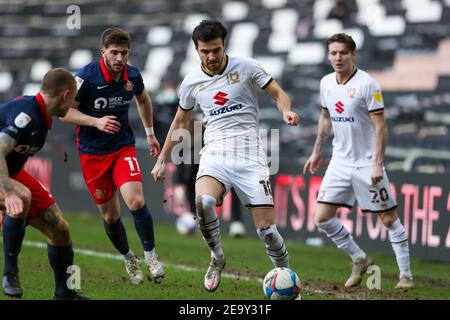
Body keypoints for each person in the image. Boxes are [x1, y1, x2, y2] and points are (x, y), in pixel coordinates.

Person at [152, 20, 300, 292]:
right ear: (196, 49)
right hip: (215, 153)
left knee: (267, 230)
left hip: (250, 155)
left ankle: (287, 280)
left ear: (225, 45)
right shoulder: (191, 82)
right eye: (204, 51)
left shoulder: (246, 66)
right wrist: (163, 158)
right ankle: (217, 257)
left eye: (216, 50)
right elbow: (180, 122)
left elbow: (278, 93)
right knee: (204, 202)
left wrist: (285, 111)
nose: (211, 57)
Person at [303, 33, 413, 289]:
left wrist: (377, 162)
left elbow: (381, 125)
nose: (338, 58)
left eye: (343, 53)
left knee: (388, 219)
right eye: (333, 53)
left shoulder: (368, 84)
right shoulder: (326, 83)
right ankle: (359, 258)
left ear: (353, 54)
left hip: (366, 163)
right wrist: (317, 150)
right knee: (322, 218)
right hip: (340, 162)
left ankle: (405, 275)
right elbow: (326, 117)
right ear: (328, 55)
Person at [60, 27, 164, 284]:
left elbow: (143, 99)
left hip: (122, 147)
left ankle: (150, 256)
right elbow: (64, 112)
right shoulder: (85, 77)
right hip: (92, 153)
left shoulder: (133, 75)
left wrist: (150, 133)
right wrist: (95, 122)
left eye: (124, 53)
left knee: (136, 202)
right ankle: (129, 258)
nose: (120, 59)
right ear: (103, 52)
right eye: (114, 53)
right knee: (110, 216)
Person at [0, 68, 88, 299]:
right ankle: (10, 273)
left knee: (59, 228)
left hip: (11, 171)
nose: (72, 106)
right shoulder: (26, 116)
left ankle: (64, 293)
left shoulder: (44, 114)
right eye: (73, 99)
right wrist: (7, 193)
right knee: (20, 197)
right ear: (66, 95)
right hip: (4, 171)